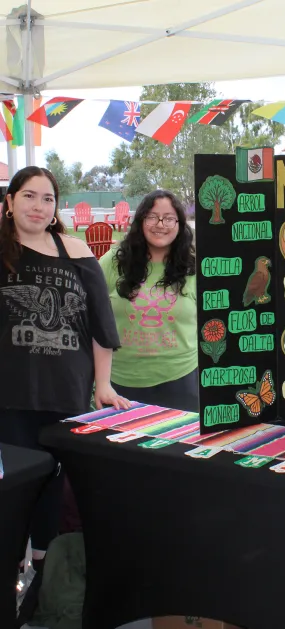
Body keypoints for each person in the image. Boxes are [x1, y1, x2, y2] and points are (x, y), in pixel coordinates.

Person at [0, 166, 128, 621]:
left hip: (66, 392)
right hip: (10, 396)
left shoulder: (73, 250)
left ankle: (45, 589)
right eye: (29, 196)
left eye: (48, 198)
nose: (39, 206)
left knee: (55, 493)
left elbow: (100, 325)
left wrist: (104, 385)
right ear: (10, 201)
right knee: (13, 493)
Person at [100, 190, 198, 412]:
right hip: (121, 384)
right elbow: (91, 316)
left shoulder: (195, 267)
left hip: (181, 380)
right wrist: (101, 382)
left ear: (180, 224)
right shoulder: (113, 262)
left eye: (169, 218)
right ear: (141, 221)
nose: (160, 224)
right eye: (152, 217)